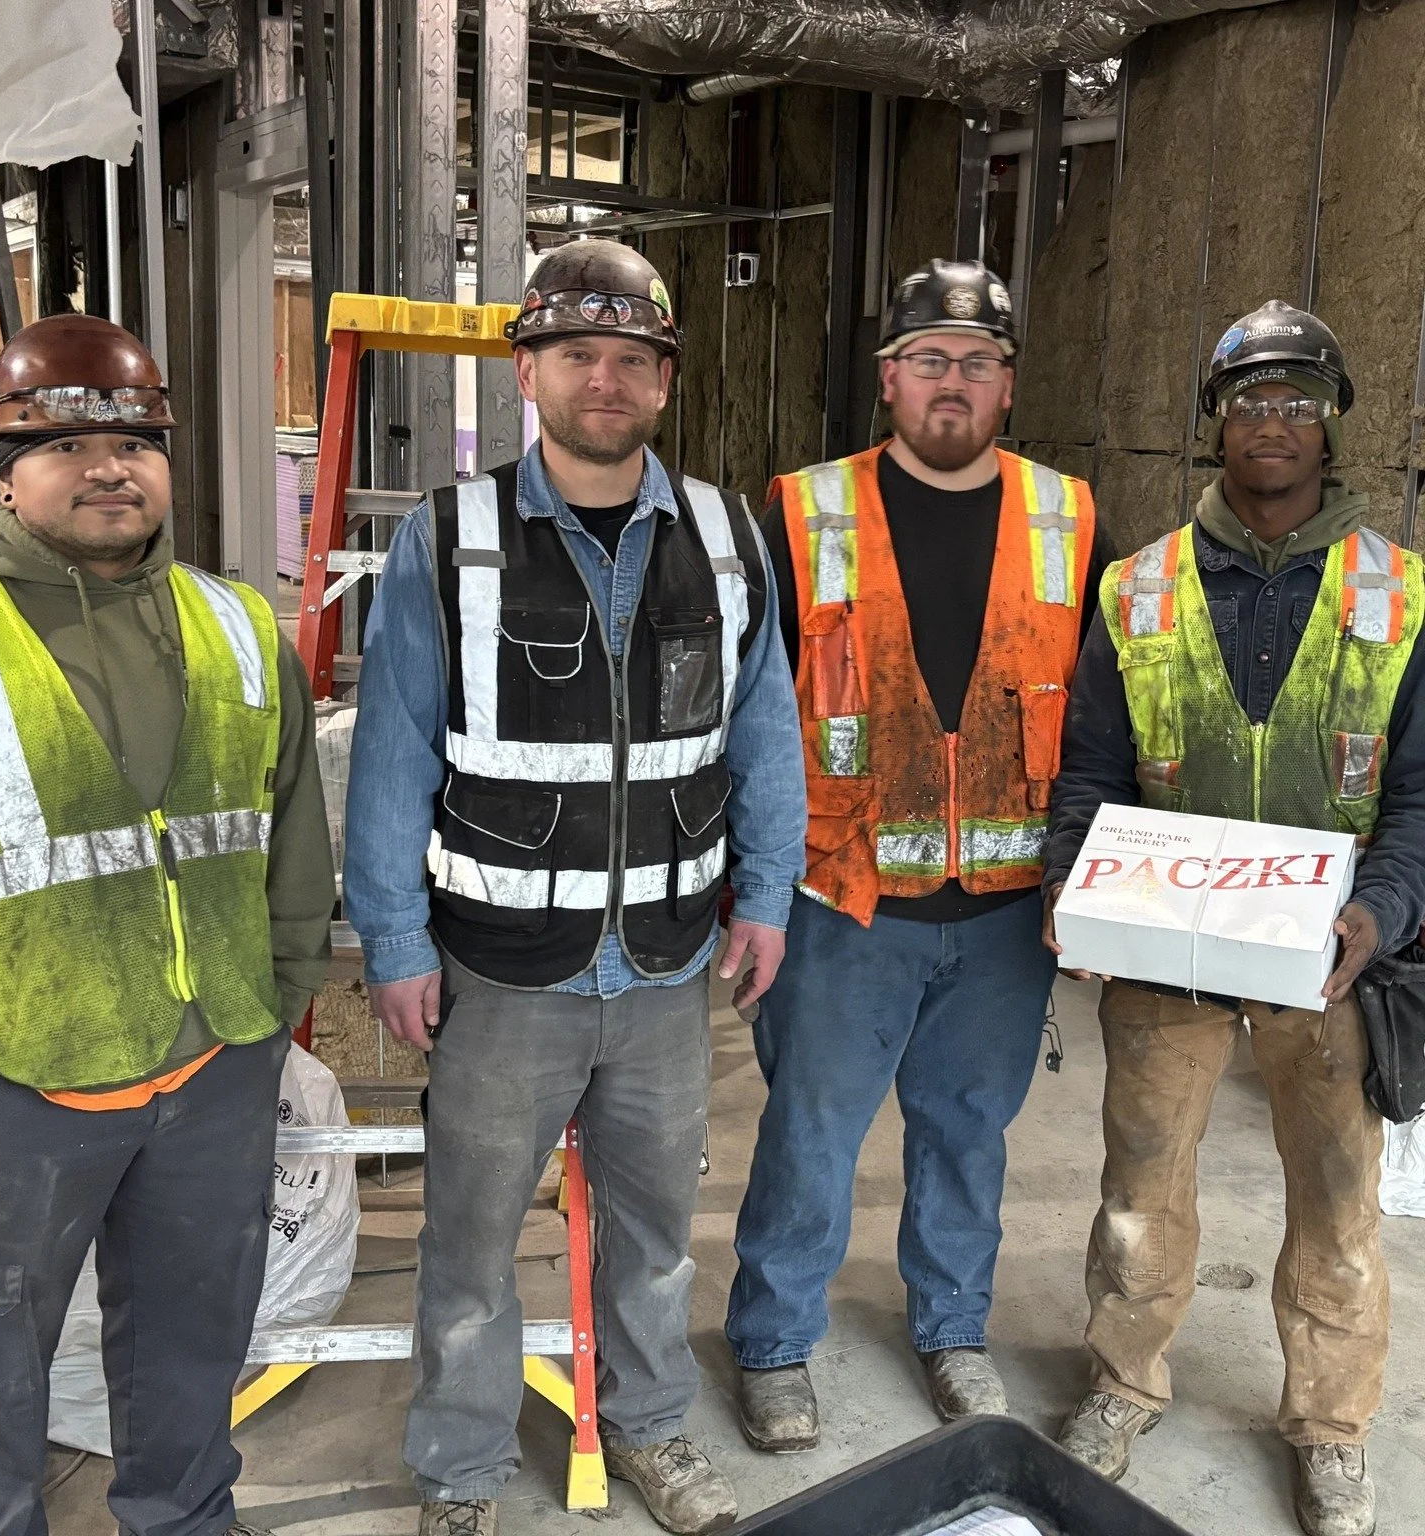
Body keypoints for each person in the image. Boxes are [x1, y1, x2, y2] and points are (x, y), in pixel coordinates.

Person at [344, 238, 806, 1536]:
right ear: (528, 372)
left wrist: (767, 895)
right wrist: (394, 939)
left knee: (656, 1234)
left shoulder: (727, 538)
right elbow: (392, 753)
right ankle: (460, 1468)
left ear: (665, 380)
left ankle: (651, 1428)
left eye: (632, 359)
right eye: (577, 355)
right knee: (471, 1242)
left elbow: (764, 733)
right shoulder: (451, 539)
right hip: (500, 974)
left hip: (665, 968)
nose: (605, 379)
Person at [0, 313, 334, 1536]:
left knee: (193, 1348)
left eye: (135, 441)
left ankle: (185, 1520)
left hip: (214, 1064)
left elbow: (291, 829)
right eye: (66, 444)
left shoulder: (238, 625)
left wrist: (273, 1008)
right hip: (16, 1085)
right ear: (6, 474)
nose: (107, 467)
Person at [1043, 300, 1425, 1536]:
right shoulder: (1138, 589)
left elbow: (1421, 795)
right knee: (1140, 1186)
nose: (1273, 421)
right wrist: (1071, 889)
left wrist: (1379, 914)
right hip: (1169, 951)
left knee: (1339, 1203)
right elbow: (1091, 768)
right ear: (1215, 420)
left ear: (1332, 425)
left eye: (1298, 401)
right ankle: (1123, 1380)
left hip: (1329, 963)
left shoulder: (1403, 595)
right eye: (1251, 399)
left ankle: (1330, 1427)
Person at [726, 259, 1108, 1450]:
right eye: (930, 359)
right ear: (888, 378)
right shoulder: (801, 512)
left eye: (979, 362)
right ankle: (774, 1343)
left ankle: (953, 1331)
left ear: (1009, 385)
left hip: (1003, 908)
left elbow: (1108, 718)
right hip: (843, 899)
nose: (954, 382)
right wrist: (749, 887)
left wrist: (1095, 884)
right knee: (810, 1136)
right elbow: (747, 713)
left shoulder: (1072, 518)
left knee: (967, 1135)